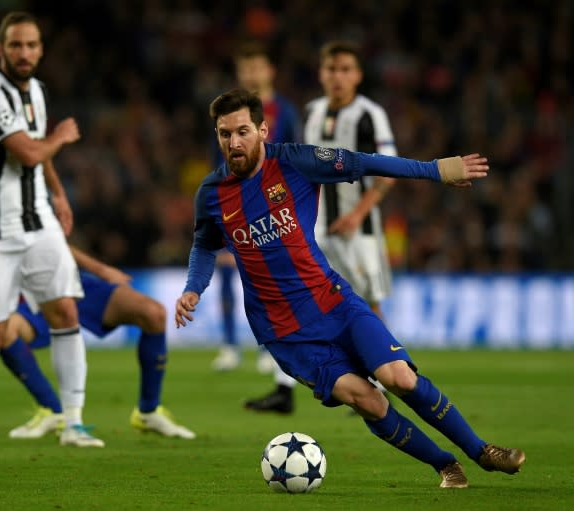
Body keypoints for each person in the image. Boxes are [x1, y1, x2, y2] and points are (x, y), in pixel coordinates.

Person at [175, 88, 525, 488]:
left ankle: (482, 451)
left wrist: (435, 170)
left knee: (399, 378)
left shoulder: (296, 162)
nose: (233, 143)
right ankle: (446, 465)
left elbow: (364, 162)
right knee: (368, 400)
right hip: (287, 334)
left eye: (242, 131)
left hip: (334, 302)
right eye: (224, 134)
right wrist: (193, 289)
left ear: (262, 129)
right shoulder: (212, 194)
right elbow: (204, 244)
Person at [0, 201, 195, 443]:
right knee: (2, 331)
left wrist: (101, 270)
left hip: (59, 285)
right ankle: (54, 410)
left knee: (154, 313)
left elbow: (43, 240)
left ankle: (148, 411)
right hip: (22, 311)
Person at [0, 11, 91, 446]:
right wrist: (62, 137)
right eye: (16, 45)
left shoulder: (38, 92)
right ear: (1, 50)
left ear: (41, 49)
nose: (25, 52)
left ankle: (73, 421)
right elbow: (29, 151)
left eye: (32, 45)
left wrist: (58, 193)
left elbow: (39, 154)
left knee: (66, 311)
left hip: (36, 219)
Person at [245, 40, 396, 414]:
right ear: (321, 73)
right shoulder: (311, 111)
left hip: (357, 230)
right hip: (312, 228)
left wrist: (359, 213)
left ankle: (380, 380)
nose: (337, 77)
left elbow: (387, 170)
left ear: (358, 75)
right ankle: (284, 388)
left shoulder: (369, 114)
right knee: (297, 297)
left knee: (366, 302)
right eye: (331, 69)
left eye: (345, 69)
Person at [210, 41, 302, 372]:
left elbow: (295, 157)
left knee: (272, 279)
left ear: (269, 71)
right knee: (225, 271)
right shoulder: (228, 114)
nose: (251, 74)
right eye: (245, 68)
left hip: (274, 207)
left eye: (256, 67)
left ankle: (271, 348)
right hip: (235, 205)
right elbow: (216, 163)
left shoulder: (286, 112)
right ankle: (230, 345)